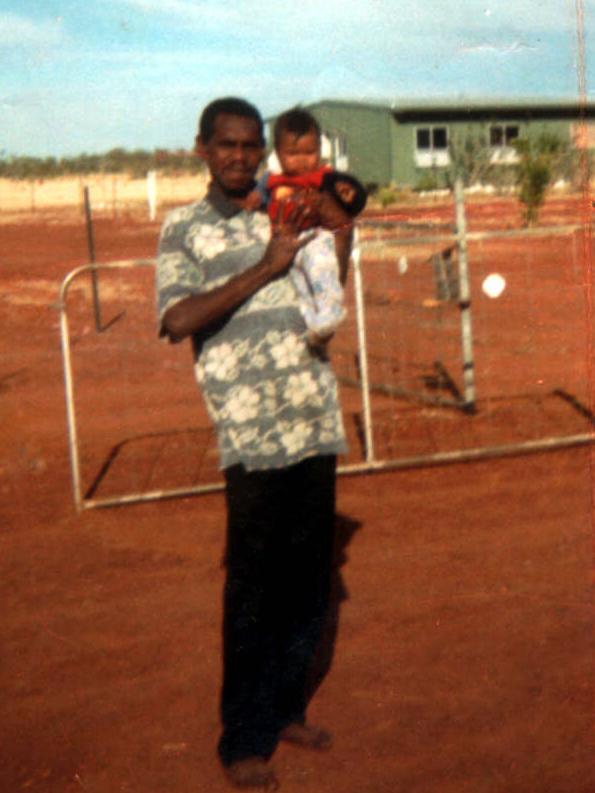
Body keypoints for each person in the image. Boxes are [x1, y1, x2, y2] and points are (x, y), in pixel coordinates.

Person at [156, 97, 354, 790]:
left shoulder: (287, 209)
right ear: (202, 148)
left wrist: (338, 230)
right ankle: (243, 737)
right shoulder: (183, 227)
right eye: (227, 145)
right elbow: (177, 318)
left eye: (250, 146)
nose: (240, 156)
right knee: (251, 589)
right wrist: (265, 268)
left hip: (311, 417)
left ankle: (287, 707)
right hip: (250, 434)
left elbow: (330, 289)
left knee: (307, 583)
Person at [247, 108, 367, 347]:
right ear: (278, 154)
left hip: (314, 237)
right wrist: (256, 198)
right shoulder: (270, 179)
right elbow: (258, 196)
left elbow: (348, 195)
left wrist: (345, 193)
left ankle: (331, 311)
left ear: (320, 152)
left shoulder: (324, 177)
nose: (302, 160)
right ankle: (315, 326)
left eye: (309, 152)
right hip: (285, 242)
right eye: (292, 153)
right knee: (300, 287)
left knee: (322, 271)